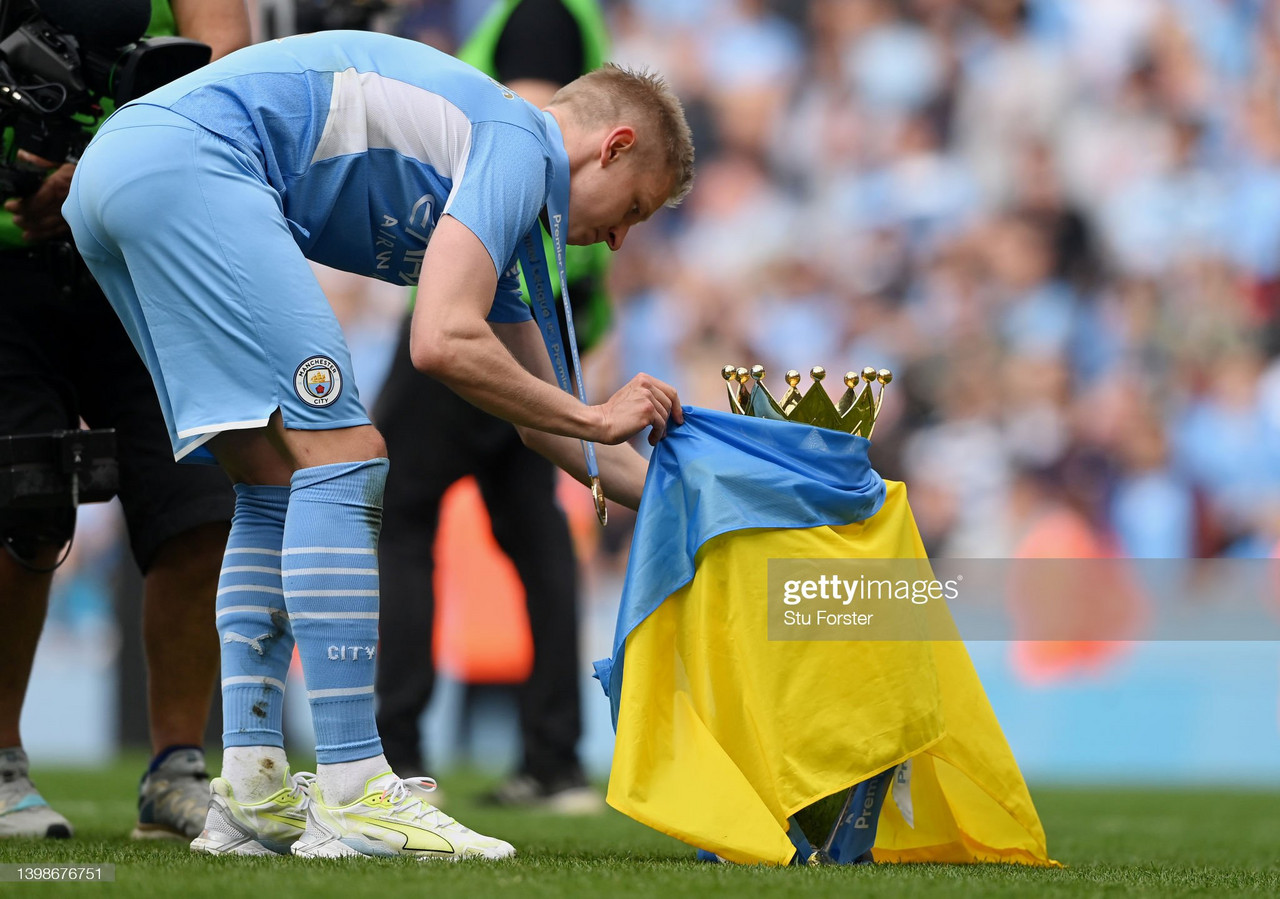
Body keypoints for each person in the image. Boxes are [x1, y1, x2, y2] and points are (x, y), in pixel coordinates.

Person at [62, 28, 693, 860]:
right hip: (193, 162)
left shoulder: (501, 204)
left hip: (115, 177)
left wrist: (700, 507)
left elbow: (547, 420)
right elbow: (440, 341)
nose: (617, 242)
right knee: (349, 452)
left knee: (269, 477)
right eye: (634, 210)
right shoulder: (517, 139)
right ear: (612, 149)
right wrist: (595, 416)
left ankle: (250, 783)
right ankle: (356, 783)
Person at [0, 0, 250, 841]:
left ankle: (177, 767)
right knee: (24, 502)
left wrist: (97, 168)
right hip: (6, 270)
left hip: (138, 251)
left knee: (200, 507)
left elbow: (229, 68)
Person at [375, 0, 613, 813]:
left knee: (398, 515)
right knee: (535, 530)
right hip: (537, 309)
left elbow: (522, 159)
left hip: (495, 302)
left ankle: (394, 755)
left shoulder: (537, 15)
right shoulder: (575, 19)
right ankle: (555, 758)